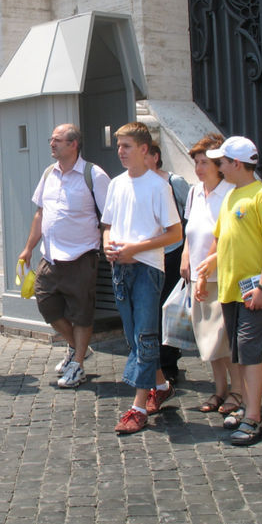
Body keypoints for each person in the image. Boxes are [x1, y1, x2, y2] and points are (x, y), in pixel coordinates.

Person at [196, 136, 262, 446]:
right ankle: (248, 406)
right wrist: (207, 267)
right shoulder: (232, 196)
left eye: (221, 162)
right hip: (231, 290)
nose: (218, 166)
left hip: (252, 290)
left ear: (236, 164)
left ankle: (254, 417)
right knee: (239, 350)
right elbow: (222, 240)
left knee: (248, 349)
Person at [101, 122, 182, 434]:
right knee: (134, 335)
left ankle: (137, 408)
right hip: (119, 268)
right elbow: (107, 224)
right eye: (119, 146)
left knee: (145, 336)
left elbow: (174, 233)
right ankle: (160, 386)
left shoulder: (159, 186)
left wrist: (138, 249)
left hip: (148, 268)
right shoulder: (117, 184)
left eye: (126, 146)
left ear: (145, 149)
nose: (120, 151)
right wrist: (108, 243)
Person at [19, 124, 111, 388]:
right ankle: (78, 347)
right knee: (46, 304)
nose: (52, 143)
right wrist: (28, 248)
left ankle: (78, 364)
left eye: (57, 140)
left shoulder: (94, 175)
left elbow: (108, 218)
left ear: (73, 144)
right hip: (50, 257)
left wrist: (106, 245)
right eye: (51, 139)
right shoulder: (49, 173)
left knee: (82, 313)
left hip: (81, 256)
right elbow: (40, 214)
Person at [179, 134, 242, 415]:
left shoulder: (229, 193)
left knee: (223, 339)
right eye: (196, 162)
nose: (199, 168)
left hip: (221, 275)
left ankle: (238, 392)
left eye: (204, 162)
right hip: (197, 274)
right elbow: (190, 230)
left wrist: (207, 269)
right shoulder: (194, 192)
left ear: (218, 165)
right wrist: (185, 258)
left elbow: (225, 235)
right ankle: (219, 390)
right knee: (207, 339)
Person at [146, 142, 191, 383]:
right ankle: (158, 361)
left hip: (173, 251)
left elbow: (190, 214)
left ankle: (168, 361)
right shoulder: (136, 183)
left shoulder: (175, 182)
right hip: (148, 254)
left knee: (168, 306)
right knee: (151, 308)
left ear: (155, 157)